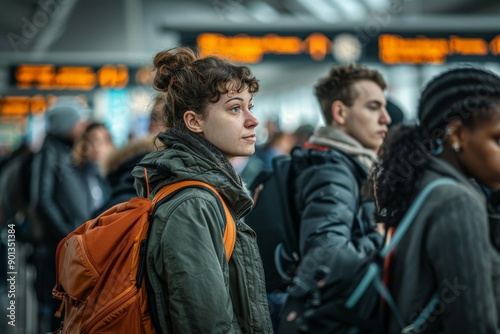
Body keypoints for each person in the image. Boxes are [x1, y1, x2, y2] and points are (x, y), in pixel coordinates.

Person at [131, 46, 273, 333]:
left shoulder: (205, 192)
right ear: (194, 121)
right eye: (235, 108)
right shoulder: (194, 204)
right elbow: (207, 326)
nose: (252, 120)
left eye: (250, 107)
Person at [375, 66, 500, 333]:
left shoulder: (423, 184)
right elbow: (473, 324)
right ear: (456, 134)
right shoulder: (456, 201)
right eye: (498, 140)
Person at [281, 63, 391, 331]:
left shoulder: (343, 163)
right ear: (340, 112)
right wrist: (381, 238)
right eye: (373, 107)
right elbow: (326, 255)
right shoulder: (332, 170)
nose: (386, 118)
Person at [29, 97, 89, 332]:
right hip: (57, 248)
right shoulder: (49, 152)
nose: (83, 126)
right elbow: (42, 200)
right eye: (78, 121)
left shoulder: (62, 149)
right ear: (65, 124)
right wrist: (68, 232)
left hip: (64, 246)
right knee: (57, 310)